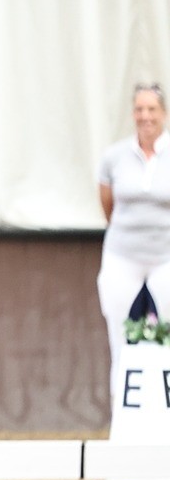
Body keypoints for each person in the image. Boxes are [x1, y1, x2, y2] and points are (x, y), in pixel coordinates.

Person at [97, 83, 170, 399]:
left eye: (152, 109)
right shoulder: (114, 156)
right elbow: (108, 204)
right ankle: (121, 421)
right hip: (122, 255)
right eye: (139, 109)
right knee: (119, 335)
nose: (145, 116)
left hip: (166, 256)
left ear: (163, 114)